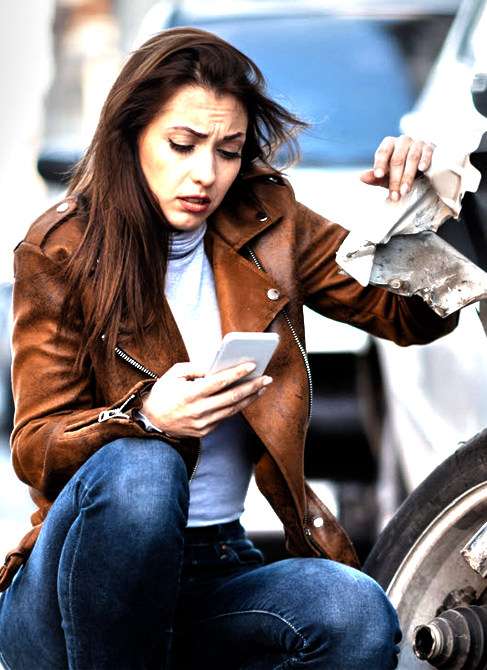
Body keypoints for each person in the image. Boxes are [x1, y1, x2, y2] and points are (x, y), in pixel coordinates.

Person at [0, 27, 456, 670]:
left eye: (229, 151)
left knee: (353, 611)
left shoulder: (269, 220)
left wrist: (420, 208)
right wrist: (148, 417)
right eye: (182, 145)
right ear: (130, 137)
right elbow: (35, 445)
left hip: (216, 567)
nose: (205, 174)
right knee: (144, 469)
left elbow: (410, 318)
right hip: (73, 589)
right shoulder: (62, 248)